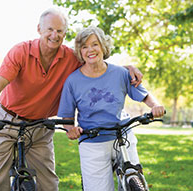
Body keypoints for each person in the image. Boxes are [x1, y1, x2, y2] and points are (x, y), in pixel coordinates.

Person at [0, 8, 143, 191]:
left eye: (59, 31)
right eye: (49, 29)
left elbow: (98, 64)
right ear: (39, 29)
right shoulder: (20, 52)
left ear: (65, 34)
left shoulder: (71, 58)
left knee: (48, 184)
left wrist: (126, 69)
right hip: (7, 121)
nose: (54, 35)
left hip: (40, 126)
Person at [57, 26, 165, 191]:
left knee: (136, 182)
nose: (90, 50)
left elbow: (144, 95)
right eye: (84, 47)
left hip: (123, 135)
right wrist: (70, 129)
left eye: (95, 44)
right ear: (79, 52)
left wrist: (156, 106)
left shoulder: (121, 73)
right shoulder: (73, 81)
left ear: (103, 47)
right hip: (92, 140)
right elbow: (66, 117)